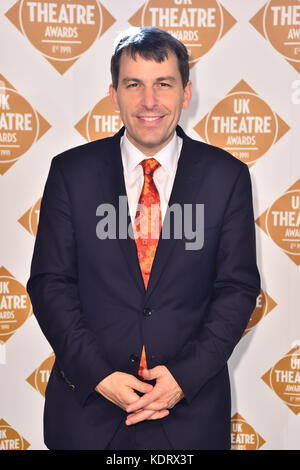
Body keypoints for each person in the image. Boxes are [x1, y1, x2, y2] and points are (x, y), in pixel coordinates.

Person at [27, 27, 260, 450]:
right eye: (134, 85)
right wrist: (99, 376)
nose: (149, 101)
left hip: (189, 414)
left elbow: (237, 288)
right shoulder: (70, 173)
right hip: (88, 414)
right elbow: (50, 284)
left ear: (186, 93)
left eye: (163, 84)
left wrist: (182, 379)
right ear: (114, 94)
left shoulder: (226, 177)